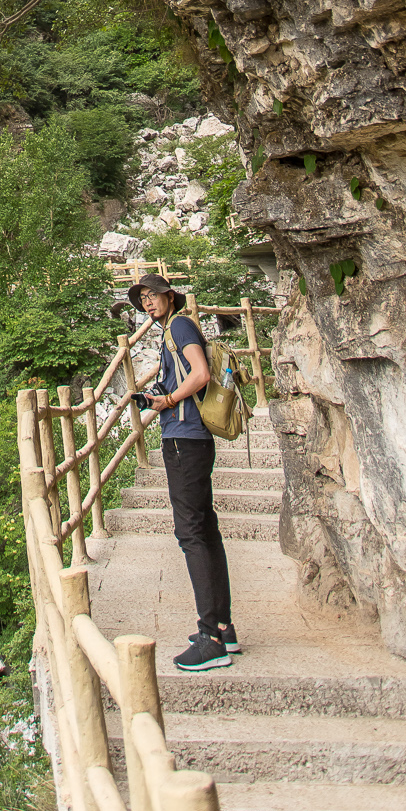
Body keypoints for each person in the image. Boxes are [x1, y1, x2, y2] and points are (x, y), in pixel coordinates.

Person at [130, 274, 237, 673]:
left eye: (152, 296)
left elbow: (200, 374)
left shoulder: (179, 324)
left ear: (169, 295)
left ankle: (210, 638)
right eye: (142, 299)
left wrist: (169, 400)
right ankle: (223, 628)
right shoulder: (174, 328)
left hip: (184, 438)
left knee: (191, 533)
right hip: (190, 437)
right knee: (205, 529)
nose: (147, 304)